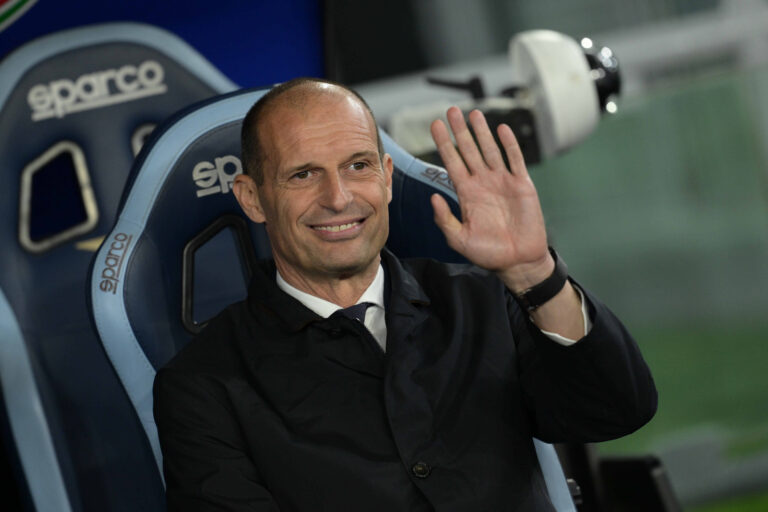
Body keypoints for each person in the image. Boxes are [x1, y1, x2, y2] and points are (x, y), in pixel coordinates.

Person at [153, 77, 657, 511]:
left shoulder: (486, 299)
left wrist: (534, 273)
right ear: (251, 198)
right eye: (303, 174)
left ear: (388, 178)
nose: (339, 198)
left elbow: (616, 411)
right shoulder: (201, 386)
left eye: (358, 166)